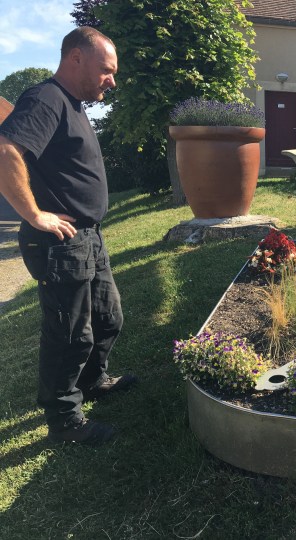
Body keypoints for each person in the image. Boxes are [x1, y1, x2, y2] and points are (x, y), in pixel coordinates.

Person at [0, 27, 136, 445]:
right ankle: (64, 421)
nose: (111, 81)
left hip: (88, 237)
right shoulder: (46, 98)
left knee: (108, 317)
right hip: (61, 243)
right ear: (75, 57)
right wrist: (34, 214)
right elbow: (6, 151)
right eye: (106, 70)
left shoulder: (73, 104)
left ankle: (93, 382)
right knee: (70, 334)